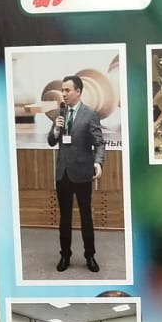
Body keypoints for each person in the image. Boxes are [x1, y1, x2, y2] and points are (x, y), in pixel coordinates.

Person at [46, 74, 105, 273]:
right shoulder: (59, 113)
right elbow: (51, 141)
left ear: (78, 91)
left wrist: (98, 162)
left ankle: (90, 255)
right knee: (65, 218)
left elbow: (99, 143)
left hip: (82, 173)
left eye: (67, 90)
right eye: (62, 90)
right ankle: (65, 255)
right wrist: (56, 129)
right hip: (62, 174)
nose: (63, 93)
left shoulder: (90, 114)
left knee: (86, 216)